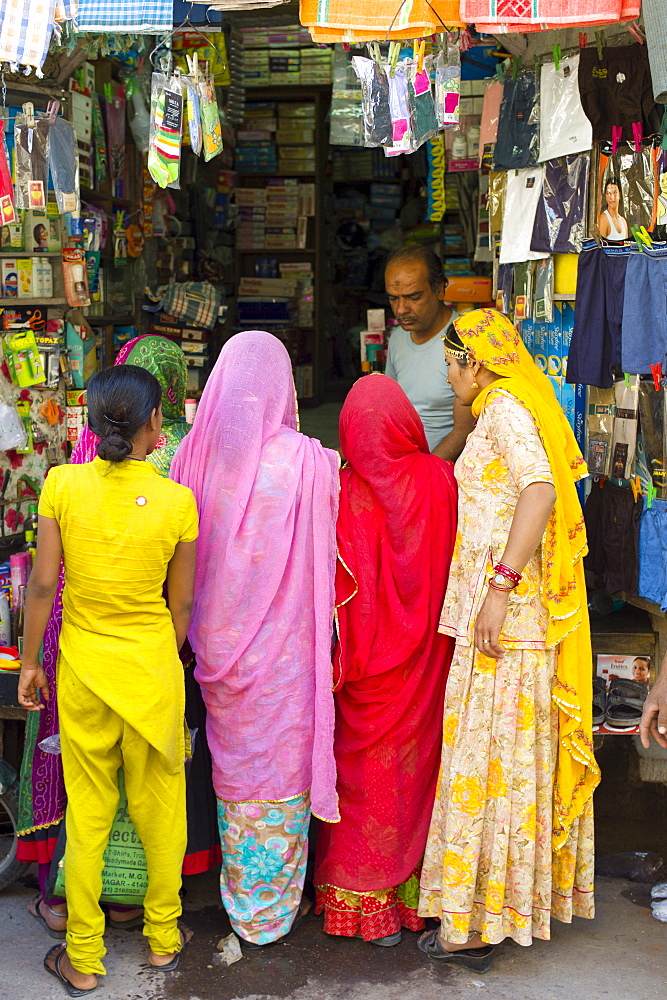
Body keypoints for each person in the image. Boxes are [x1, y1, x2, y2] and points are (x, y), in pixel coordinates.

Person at [16, 335, 219, 940]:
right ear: (158, 424)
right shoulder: (178, 501)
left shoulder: (61, 485)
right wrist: (164, 649)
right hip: (151, 672)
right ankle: (162, 937)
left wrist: (31, 665)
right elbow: (180, 601)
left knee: (90, 814)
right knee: (159, 812)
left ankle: (82, 950)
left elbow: (43, 586)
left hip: (82, 672)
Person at [418, 309, 599, 973]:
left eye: (450, 361)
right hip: (502, 622)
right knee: (493, 762)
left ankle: (474, 924)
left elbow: (540, 489)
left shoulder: (501, 409)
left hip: (506, 623)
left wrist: (498, 585)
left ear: (477, 361)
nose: (446, 374)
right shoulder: (500, 406)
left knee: (489, 764)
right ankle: (482, 913)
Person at [170, 330, 340, 947]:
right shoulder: (309, 462)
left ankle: (245, 902)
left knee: (237, 770)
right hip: (286, 656)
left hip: (215, 649)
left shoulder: (191, 455)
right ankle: (271, 909)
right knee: (279, 770)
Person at [314, 374, 458, 945]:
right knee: (412, 774)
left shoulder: (339, 489)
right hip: (424, 661)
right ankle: (413, 891)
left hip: (361, 669)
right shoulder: (439, 480)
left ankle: (356, 901)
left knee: (361, 777)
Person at [384, 246, 475, 460]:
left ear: (440, 289)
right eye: (393, 299)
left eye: (413, 297)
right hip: (403, 461)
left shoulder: (464, 338)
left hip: (443, 469)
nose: (401, 309)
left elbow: (463, 431)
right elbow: (389, 409)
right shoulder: (397, 337)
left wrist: (426, 475)